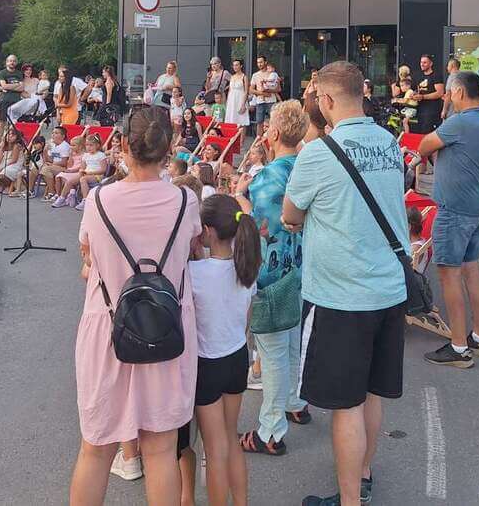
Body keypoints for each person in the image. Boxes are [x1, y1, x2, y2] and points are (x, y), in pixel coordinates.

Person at [282, 61, 408, 506]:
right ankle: (364, 472)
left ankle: (350, 499)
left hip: (341, 294)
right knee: (372, 393)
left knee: (345, 405)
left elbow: (290, 214)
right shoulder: (390, 143)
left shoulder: (318, 153)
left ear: (327, 100)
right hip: (389, 287)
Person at [70, 107, 200, 506]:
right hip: (166, 327)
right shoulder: (186, 201)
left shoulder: (99, 200)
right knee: (161, 449)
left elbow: (88, 254)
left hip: (108, 327)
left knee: (96, 447)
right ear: (168, 148)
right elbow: (191, 250)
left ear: (124, 145)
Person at [235, 100, 310, 456]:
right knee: (293, 340)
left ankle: (270, 430)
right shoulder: (307, 169)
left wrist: (240, 200)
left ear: (274, 133)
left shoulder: (265, 178)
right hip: (303, 267)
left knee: (274, 350)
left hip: (272, 274)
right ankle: (295, 401)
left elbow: (260, 227)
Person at [415, 71, 479, 369]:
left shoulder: (458, 122)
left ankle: (458, 346)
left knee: (449, 274)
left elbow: (425, 145)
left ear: (460, 92)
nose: (449, 97)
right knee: (471, 269)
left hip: (454, 209)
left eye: (451, 92)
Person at [186, 194, 260, 506]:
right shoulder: (246, 268)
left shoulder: (195, 274)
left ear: (208, 231)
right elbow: (244, 318)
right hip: (236, 356)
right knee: (231, 439)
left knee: (214, 450)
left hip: (208, 362)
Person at [413, 54, 446, 133]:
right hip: (420, 109)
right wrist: (414, 94)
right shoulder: (418, 75)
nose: (422, 64)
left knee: (428, 132)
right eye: (421, 62)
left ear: (431, 64)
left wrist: (423, 97)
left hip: (432, 110)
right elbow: (418, 90)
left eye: (425, 62)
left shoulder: (436, 75)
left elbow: (440, 93)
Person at [250, 55, 281, 139]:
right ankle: (258, 141)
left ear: (265, 62)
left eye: (261, 62)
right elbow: (251, 90)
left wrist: (269, 91)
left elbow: (278, 89)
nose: (259, 64)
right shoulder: (255, 75)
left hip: (271, 101)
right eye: (258, 62)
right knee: (259, 122)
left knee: (273, 121)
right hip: (260, 101)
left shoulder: (272, 74)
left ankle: (272, 140)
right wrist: (263, 94)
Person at [0, 55, 25, 127]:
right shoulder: (2, 73)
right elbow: (4, 85)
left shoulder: (19, 73)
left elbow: (22, 88)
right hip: (5, 100)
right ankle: (0, 135)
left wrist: (8, 87)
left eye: (14, 61)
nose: (12, 62)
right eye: (10, 61)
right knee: (2, 122)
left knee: (14, 123)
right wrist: (17, 85)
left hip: (17, 101)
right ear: (7, 62)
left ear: (16, 63)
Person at [224, 59, 251, 128]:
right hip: (231, 101)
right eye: (234, 65)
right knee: (231, 119)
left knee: (242, 121)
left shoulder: (244, 77)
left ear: (241, 66)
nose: (235, 67)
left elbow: (246, 91)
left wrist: (243, 104)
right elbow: (230, 90)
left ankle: (242, 135)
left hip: (240, 100)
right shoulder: (232, 77)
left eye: (236, 65)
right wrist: (227, 103)